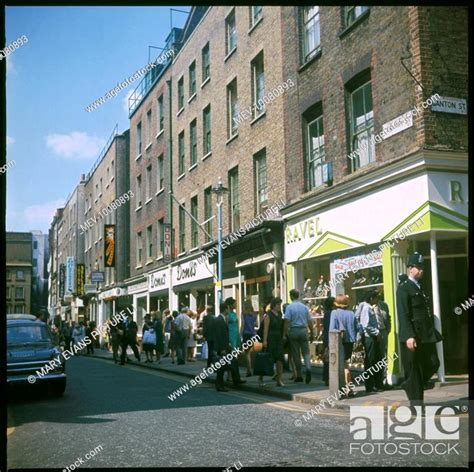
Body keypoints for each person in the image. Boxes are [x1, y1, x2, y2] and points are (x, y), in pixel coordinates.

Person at [397, 252, 440, 403]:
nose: (421, 270)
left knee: (434, 363)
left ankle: (409, 384)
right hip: (413, 335)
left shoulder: (420, 287)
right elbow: (403, 313)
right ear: (410, 268)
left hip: (425, 335)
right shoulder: (404, 288)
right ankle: (416, 405)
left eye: (422, 267)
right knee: (415, 371)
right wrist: (409, 335)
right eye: (418, 267)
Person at [329, 294, 359, 397]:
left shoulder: (334, 313)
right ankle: (348, 387)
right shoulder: (351, 313)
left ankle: (348, 388)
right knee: (346, 364)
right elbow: (358, 327)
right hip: (350, 341)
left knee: (342, 366)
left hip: (339, 342)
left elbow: (332, 329)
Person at [212, 302, 246, 392]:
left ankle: (236, 380)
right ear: (225, 309)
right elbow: (219, 336)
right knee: (222, 368)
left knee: (232, 362)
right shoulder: (219, 320)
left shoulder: (222, 319)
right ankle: (220, 385)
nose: (229, 310)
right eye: (227, 308)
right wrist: (222, 349)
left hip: (225, 346)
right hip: (222, 348)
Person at [356, 290, 385, 393]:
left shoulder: (370, 308)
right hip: (369, 338)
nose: (378, 300)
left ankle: (377, 384)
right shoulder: (366, 308)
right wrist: (377, 333)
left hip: (373, 338)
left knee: (376, 361)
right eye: (376, 297)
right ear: (371, 298)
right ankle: (369, 386)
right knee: (370, 362)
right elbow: (366, 325)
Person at [283, 289, 314, 384]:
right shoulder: (304, 307)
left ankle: (299, 375)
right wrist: (312, 332)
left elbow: (287, 321)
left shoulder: (289, 307)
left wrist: (284, 334)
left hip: (294, 331)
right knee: (306, 351)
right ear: (298, 296)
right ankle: (308, 367)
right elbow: (309, 321)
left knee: (296, 354)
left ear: (291, 296)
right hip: (304, 330)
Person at [262, 297, 285, 387]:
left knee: (280, 359)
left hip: (278, 339)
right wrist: (264, 340)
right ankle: (261, 377)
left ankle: (279, 380)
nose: (280, 306)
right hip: (270, 339)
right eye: (278, 304)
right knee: (267, 359)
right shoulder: (268, 315)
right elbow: (265, 328)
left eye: (280, 304)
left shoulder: (279, 314)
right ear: (274, 305)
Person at [373, 289, 392, 387]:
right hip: (373, 334)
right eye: (376, 296)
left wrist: (388, 329)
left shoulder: (384, 305)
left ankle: (384, 380)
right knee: (375, 357)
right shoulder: (368, 307)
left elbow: (388, 317)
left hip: (383, 332)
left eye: (379, 296)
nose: (378, 298)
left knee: (383, 356)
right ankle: (376, 381)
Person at [241, 298, 258, 377]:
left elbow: (243, 325)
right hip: (253, 334)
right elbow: (256, 324)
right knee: (251, 352)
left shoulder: (244, 314)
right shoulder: (254, 314)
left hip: (246, 334)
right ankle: (252, 368)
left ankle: (249, 370)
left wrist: (240, 334)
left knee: (247, 353)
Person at [322, 296, 335, 386]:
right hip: (330, 337)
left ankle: (327, 378)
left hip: (327, 337)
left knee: (327, 359)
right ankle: (328, 377)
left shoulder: (327, 313)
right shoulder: (331, 313)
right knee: (329, 359)